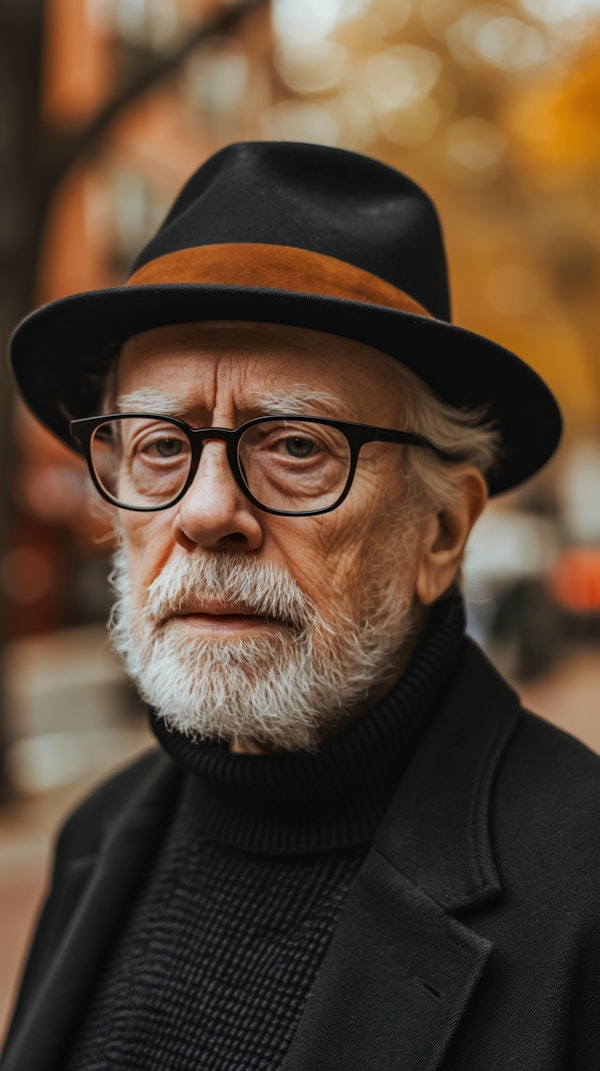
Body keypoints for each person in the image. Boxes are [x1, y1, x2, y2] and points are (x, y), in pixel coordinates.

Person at [2, 141, 599, 1071]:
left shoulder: (585, 888)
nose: (205, 512)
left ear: (442, 530)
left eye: (294, 445)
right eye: (159, 444)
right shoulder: (96, 837)